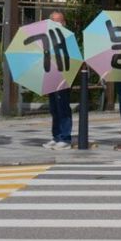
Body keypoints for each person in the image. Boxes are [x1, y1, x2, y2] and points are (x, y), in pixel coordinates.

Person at [43, 10, 72, 150]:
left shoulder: (68, 37)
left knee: (63, 107)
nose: (56, 23)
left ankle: (65, 137)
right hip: (51, 76)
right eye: (53, 20)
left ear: (64, 23)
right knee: (54, 108)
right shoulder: (46, 38)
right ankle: (56, 136)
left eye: (59, 20)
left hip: (63, 76)